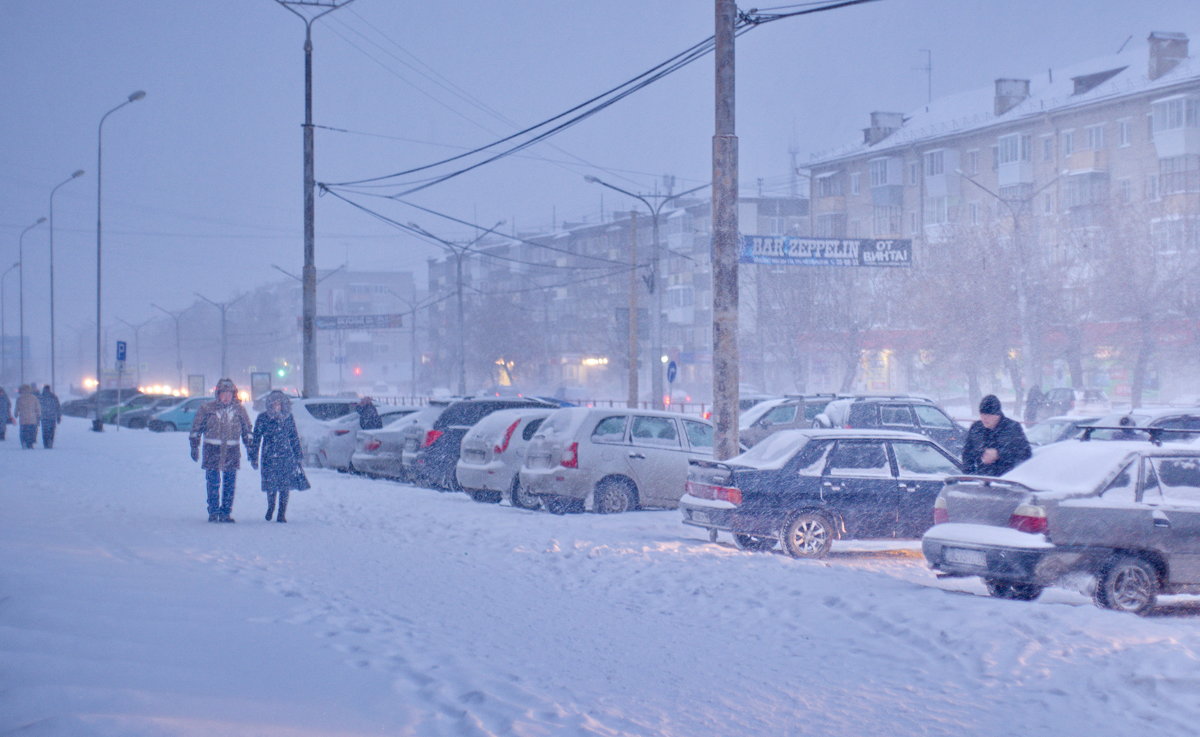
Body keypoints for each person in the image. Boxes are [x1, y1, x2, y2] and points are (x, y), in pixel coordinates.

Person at [189, 378, 252, 523]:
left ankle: (225, 512)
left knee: (229, 484)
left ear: (233, 394)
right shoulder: (207, 409)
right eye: (223, 393)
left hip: (232, 451)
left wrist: (250, 448)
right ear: (218, 394)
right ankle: (213, 511)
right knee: (213, 483)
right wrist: (194, 446)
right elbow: (196, 429)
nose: (226, 396)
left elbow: (247, 430)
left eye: (229, 393)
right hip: (212, 450)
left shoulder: (239, 410)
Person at [249, 390, 310, 523]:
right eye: (274, 404)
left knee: (284, 486)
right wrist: (253, 456)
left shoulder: (288, 418)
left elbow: (294, 437)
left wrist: (298, 455)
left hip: (286, 456)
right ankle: (271, 507)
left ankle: (281, 513)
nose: (277, 406)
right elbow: (256, 439)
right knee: (271, 485)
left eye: (279, 404)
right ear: (270, 405)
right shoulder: (263, 418)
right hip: (269, 456)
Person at [962, 394, 1033, 477]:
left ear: (997, 415)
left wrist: (999, 454)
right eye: (982, 414)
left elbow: (1025, 452)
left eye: (988, 415)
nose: (984, 418)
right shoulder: (976, 428)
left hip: (1006, 479)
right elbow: (967, 454)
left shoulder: (1012, 428)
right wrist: (971, 476)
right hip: (982, 480)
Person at [15, 384, 42, 449]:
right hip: (32, 419)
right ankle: (30, 443)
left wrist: (16, 414)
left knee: (23, 431)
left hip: (23, 419)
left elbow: (17, 408)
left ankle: (24, 442)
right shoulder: (34, 398)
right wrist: (38, 414)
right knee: (31, 431)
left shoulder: (19, 398)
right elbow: (38, 407)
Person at [39, 385, 61, 449]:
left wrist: (38, 416)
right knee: (51, 431)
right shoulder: (53, 397)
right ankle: (50, 441)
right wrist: (58, 416)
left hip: (44, 417)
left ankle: (45, 443)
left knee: (44, 431)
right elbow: (58, 407)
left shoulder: (41, 397)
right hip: (52, 417)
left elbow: (38, 407)